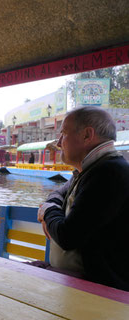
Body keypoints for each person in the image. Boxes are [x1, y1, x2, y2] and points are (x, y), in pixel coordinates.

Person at [37, 107, 129, 291]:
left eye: (64, 133)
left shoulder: (109, 173)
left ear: (87, 135)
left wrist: (47, 212)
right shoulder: (89, 170)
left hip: (101, 292)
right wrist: (51, 205)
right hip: (75, 282)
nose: (59, 142)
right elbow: (58, 193)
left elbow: (67, 236)